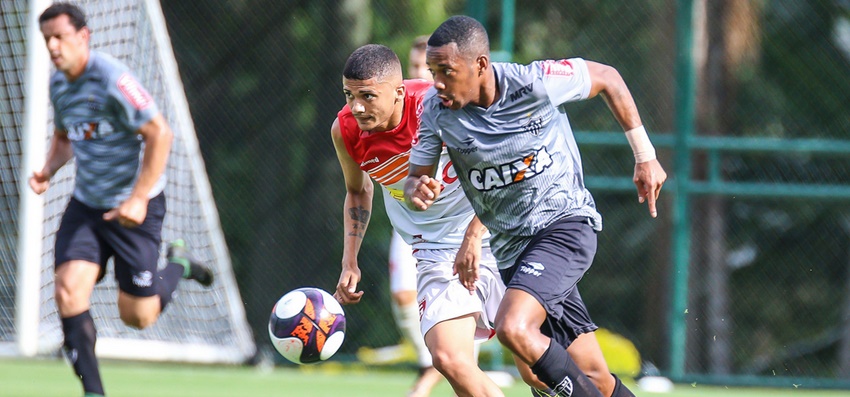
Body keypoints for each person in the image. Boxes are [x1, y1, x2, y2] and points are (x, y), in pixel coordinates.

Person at [405, 16, 667, 397]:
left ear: (481, 65)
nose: (438, 82)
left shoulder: (534, 82)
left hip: (564, 226)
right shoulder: (436, 110)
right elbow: (416, 176)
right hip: (512, 252)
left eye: (447, 71)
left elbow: (608, 77)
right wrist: (417, 188)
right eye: (433, 72)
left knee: (513, 327)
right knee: (587, 375)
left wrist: (645, 155)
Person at [32, 4, 212, 396]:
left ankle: (178, 264)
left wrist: (138, 198)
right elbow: (65, 137)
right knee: (67, 291)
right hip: (87, 206)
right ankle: (94, 392)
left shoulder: (114, 78)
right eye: (47, 39)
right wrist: (48, 169)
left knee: (138, 316)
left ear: (83, 36)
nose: (53, 46)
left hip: (135, 208)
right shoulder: (58, 84)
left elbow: (160, 133)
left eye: (59, 37)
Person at [332, 44, 506, 397]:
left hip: (494, 230)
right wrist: (350, 260)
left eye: (367, 96)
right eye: (349, 95)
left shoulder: (439, 106)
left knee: (534, 359)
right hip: (434, 249)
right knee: (449, 359)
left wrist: (474, 235)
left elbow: (501, 168)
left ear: (398, 92)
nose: (356, 107)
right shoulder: (345, 129)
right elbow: (358, 191)